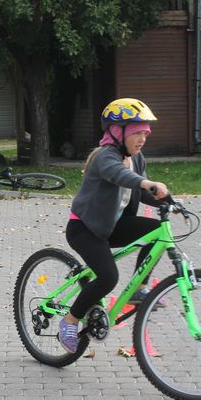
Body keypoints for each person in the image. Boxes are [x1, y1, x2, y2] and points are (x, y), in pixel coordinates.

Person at [57, 98, 170, 353]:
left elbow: (141, 191)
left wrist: (168, 200)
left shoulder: (137, 158)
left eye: (145, 134)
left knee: (157, 232)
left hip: (112, 226)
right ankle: (70, 321)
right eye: (137, 133)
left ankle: (139, 289)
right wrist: (146, 183)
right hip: (84, 229)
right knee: (108, 277)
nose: (142, 139)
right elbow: (120, 175)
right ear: (118, 132)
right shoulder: (104, 157)